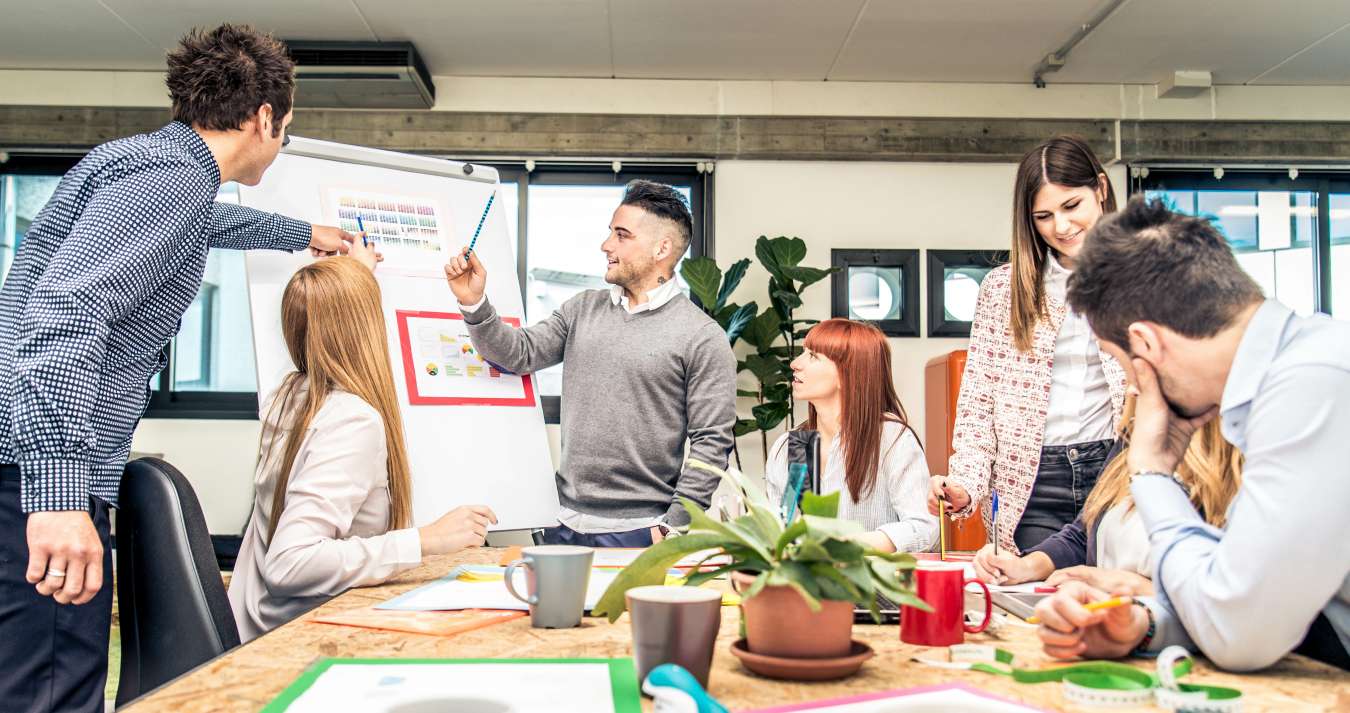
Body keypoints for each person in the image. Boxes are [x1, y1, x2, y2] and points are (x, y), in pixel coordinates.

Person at [0, 24, 359, 712]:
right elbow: (66, 317)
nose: (280, 142)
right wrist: (56, 495)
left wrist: (300, 235)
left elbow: (204, 223)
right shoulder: (169, 182)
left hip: (25, 467)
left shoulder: (153, 170)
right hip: (34, 477)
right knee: (49, 687)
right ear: (264, 118)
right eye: (286, 128)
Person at [1033, 196, 1350, 672]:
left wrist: (1152, 473)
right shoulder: (1296, 373)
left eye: (1124, 365)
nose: (1134, 386)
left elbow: (1238, 633)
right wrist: (1141, 624)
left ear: (1145, 344)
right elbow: (1240, 592)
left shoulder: (1313, 386)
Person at [443, 180, 736, 547]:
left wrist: (671, 528)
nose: (606, 245)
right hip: (560, 523)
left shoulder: (702, 337)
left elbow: (712, 442)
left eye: (621, 235)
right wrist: (474, 303)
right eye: (610, 233)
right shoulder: (582, 309)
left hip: (642, 532)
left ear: (662, 248)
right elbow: (518, 353)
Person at [229, 250, 496, 642]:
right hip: (304, 634)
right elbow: (290, 563)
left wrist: (350, 278)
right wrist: (425, 540)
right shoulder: (351, 421)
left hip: (261, 621)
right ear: (362, 329)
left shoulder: (288, 395)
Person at [928, 135, 1128, 553]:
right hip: (1033, 483)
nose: (1061, 226)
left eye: (1072, 206)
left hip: (1117, 469)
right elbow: (979, 400)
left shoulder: (1144, 277)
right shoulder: (1004, 289)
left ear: (1101, 190)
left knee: (1113, 603)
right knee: (1037, 605)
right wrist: (964, 483)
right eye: (1044, 215)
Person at [972, 392, 1243, 596]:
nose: (1132, 388)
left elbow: (1235, 600)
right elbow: (1082, 534)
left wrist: (1135, 587)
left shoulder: (1239, 463)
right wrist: (1026, 566)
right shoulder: (1131, 441)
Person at [765, 319, 936, 552]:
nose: (795, 363)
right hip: (808, 586)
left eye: (813, 356)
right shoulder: (793, 445)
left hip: (873, 586)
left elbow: (924, 527)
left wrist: (848, 545)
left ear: (847, 374)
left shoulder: (891, 439)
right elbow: (780, 529)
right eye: (803, 353)